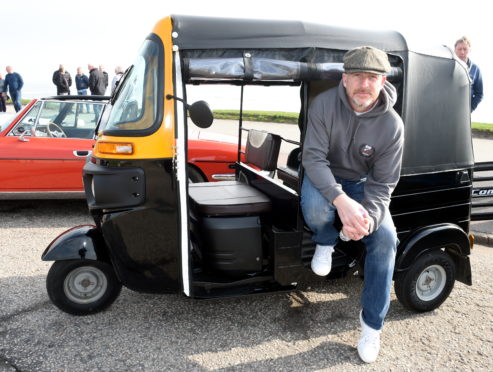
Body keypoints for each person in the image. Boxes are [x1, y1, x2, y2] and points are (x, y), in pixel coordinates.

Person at [301, 46, 404, 363]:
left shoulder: (392, 125)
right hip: (324, 177)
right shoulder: (323, 104)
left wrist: (367, 221)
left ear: (382, 80)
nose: (364, 84)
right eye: (357, 75)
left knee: (386, 238)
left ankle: (372, 326)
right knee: (318, 210)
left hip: (362, 186)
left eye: (371, 77)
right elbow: (313, 158)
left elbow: (383, 183)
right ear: (344, 78)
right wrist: (341, 202)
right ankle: (326, 240)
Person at [454, 36, 483, 112]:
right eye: (459, 49)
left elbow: (479, 94)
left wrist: (470, 109)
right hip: (447, 110)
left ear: (470, 50)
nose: (462, 52)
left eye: (465, 49)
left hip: (464, 114)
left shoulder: (476, 69)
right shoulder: (447, 66)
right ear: (454, 51)